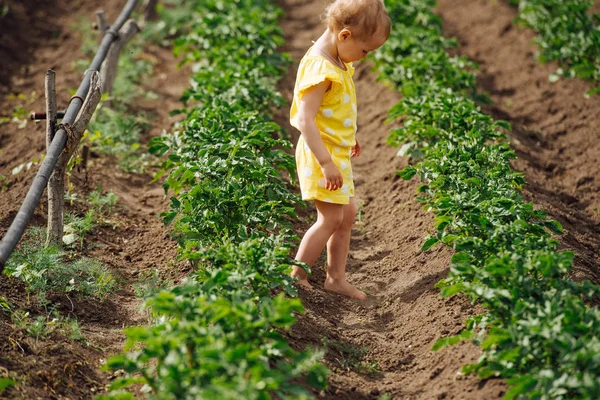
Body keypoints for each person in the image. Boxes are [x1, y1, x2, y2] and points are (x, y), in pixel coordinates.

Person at [289, 0, 391, 300]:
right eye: (365, 50)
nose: (364, 57)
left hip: (335, 151)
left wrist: (350, 136)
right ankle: (296, 275)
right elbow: (305, 119)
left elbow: (332, 112)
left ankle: (335, 278)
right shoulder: (321, 69)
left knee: (347, 215)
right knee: (330, 219)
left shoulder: (337, 61)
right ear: (344, 36)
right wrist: (325, 162)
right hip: (320, 155)